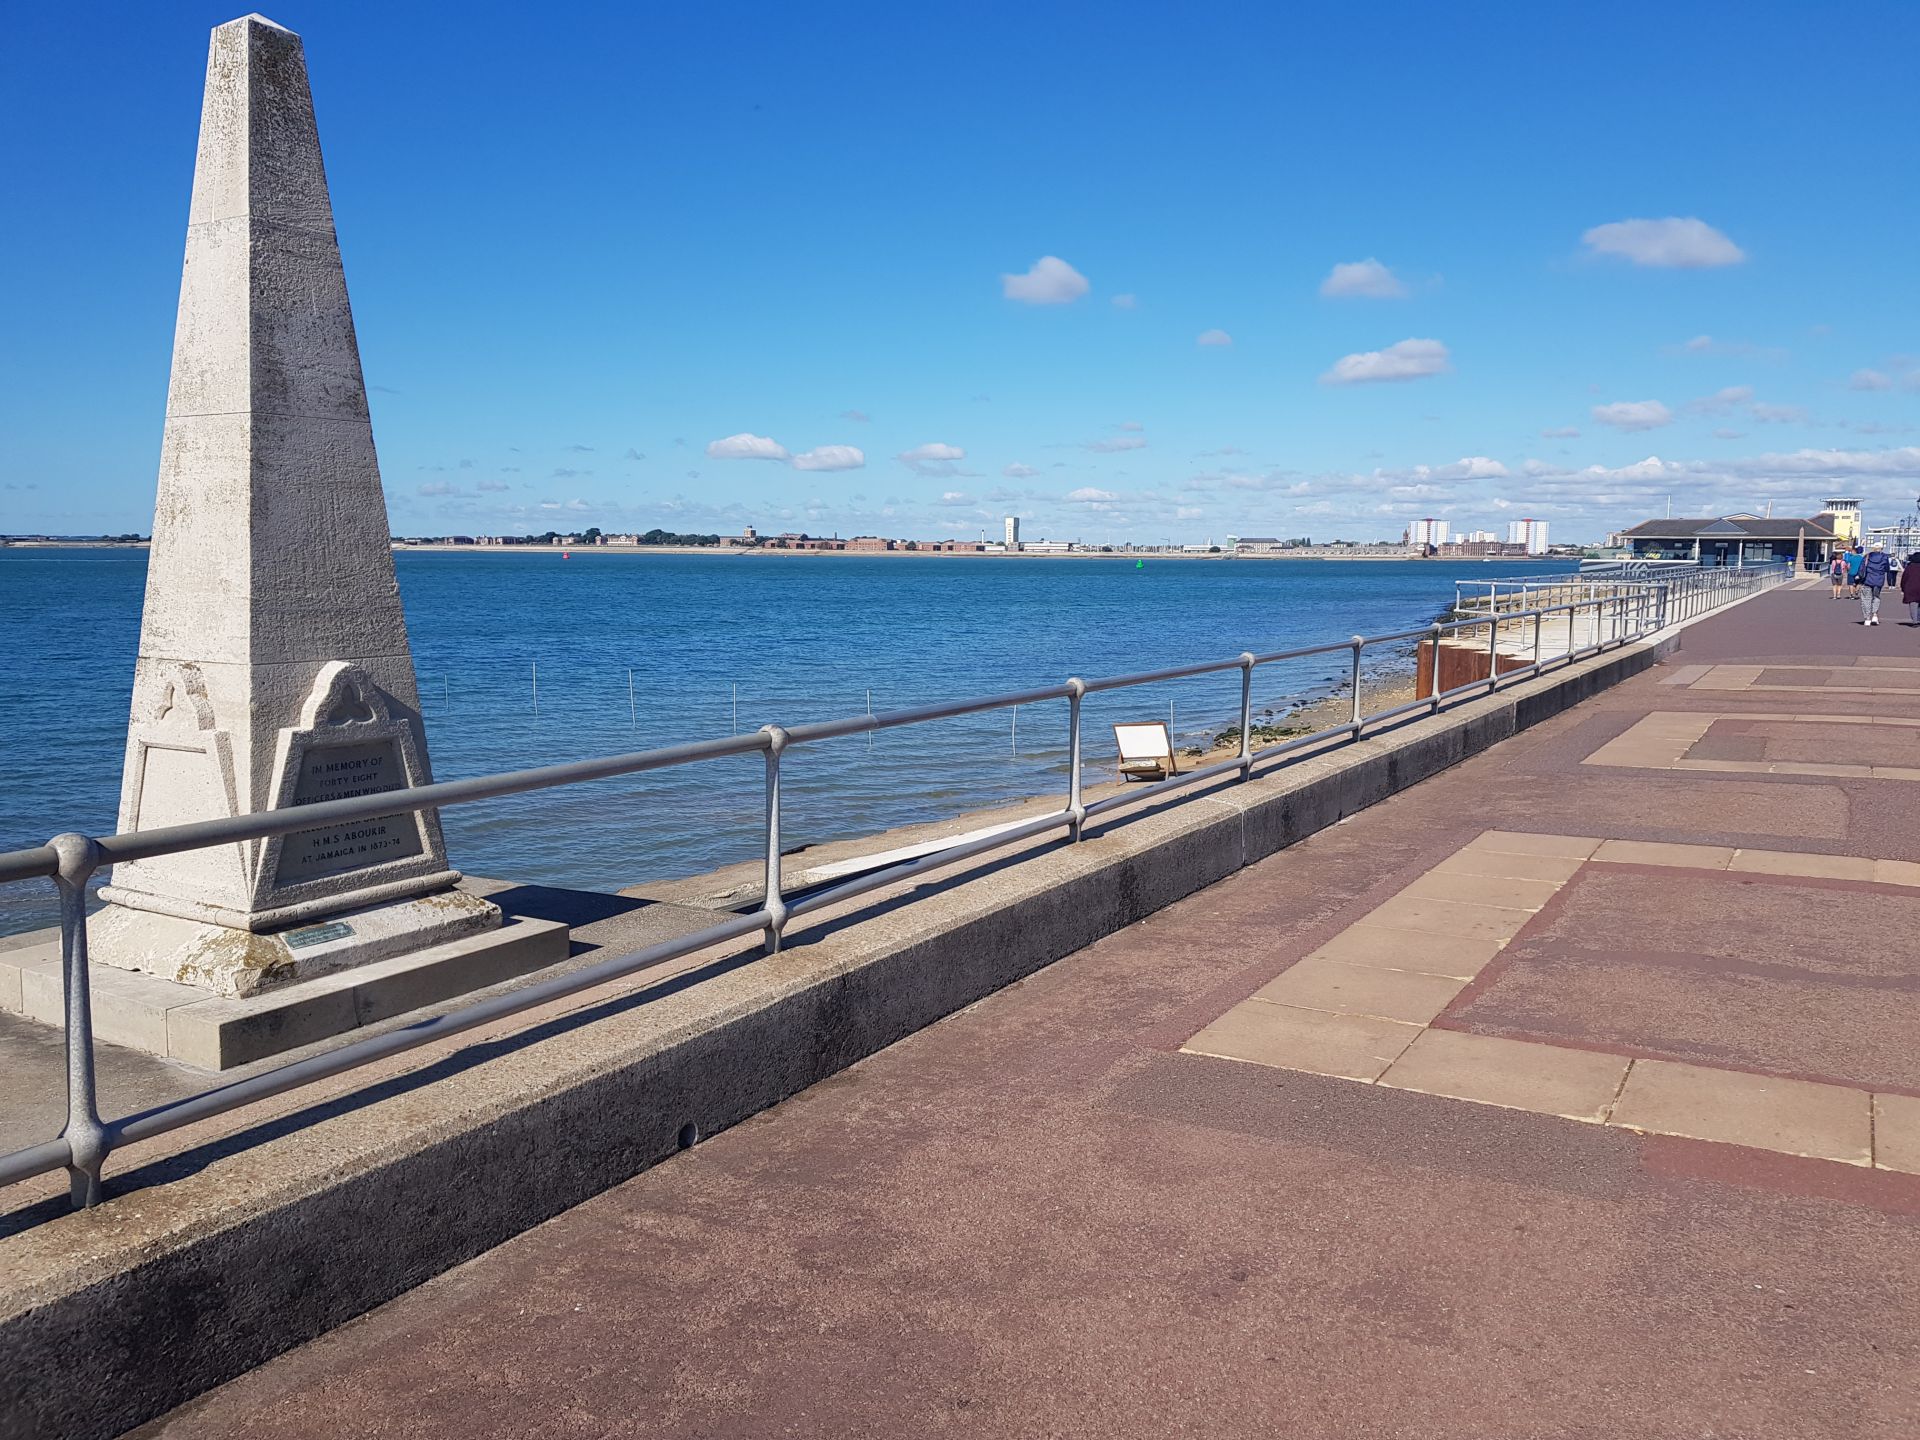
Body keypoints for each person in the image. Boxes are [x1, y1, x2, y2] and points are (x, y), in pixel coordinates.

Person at [1858, 543, 1893, 625]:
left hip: (1867, 579)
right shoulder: (1885, 557)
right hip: (1879, 580)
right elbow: (1887, 569)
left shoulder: (1867, 556)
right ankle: (1874, 615)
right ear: (1882, 548)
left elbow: (1861, 568)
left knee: (1866, 599)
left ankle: (1867, 618)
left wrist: (1859, 578)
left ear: (1873, 548)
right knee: (1876, 597)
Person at [1904, 551, 1920, 625]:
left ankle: (1915, 620)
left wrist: (1903, 588)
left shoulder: (1909, 568)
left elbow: (1904, 579)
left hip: (1911, 588)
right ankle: (1918, 619)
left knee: (1913, 604)